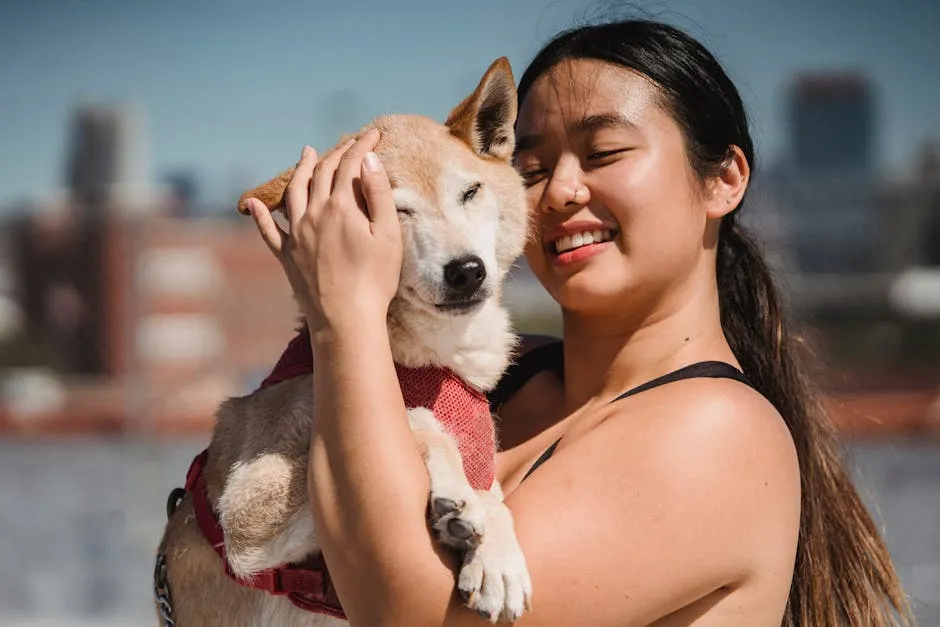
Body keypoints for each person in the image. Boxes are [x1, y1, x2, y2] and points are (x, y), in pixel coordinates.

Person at [243, 18, 913, 627]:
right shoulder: (491, 374)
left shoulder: (716, 432)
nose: (560, 190)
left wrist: (343, 320)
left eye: (603, 153)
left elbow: (407, 615)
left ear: (724, 180)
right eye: (529, 166)